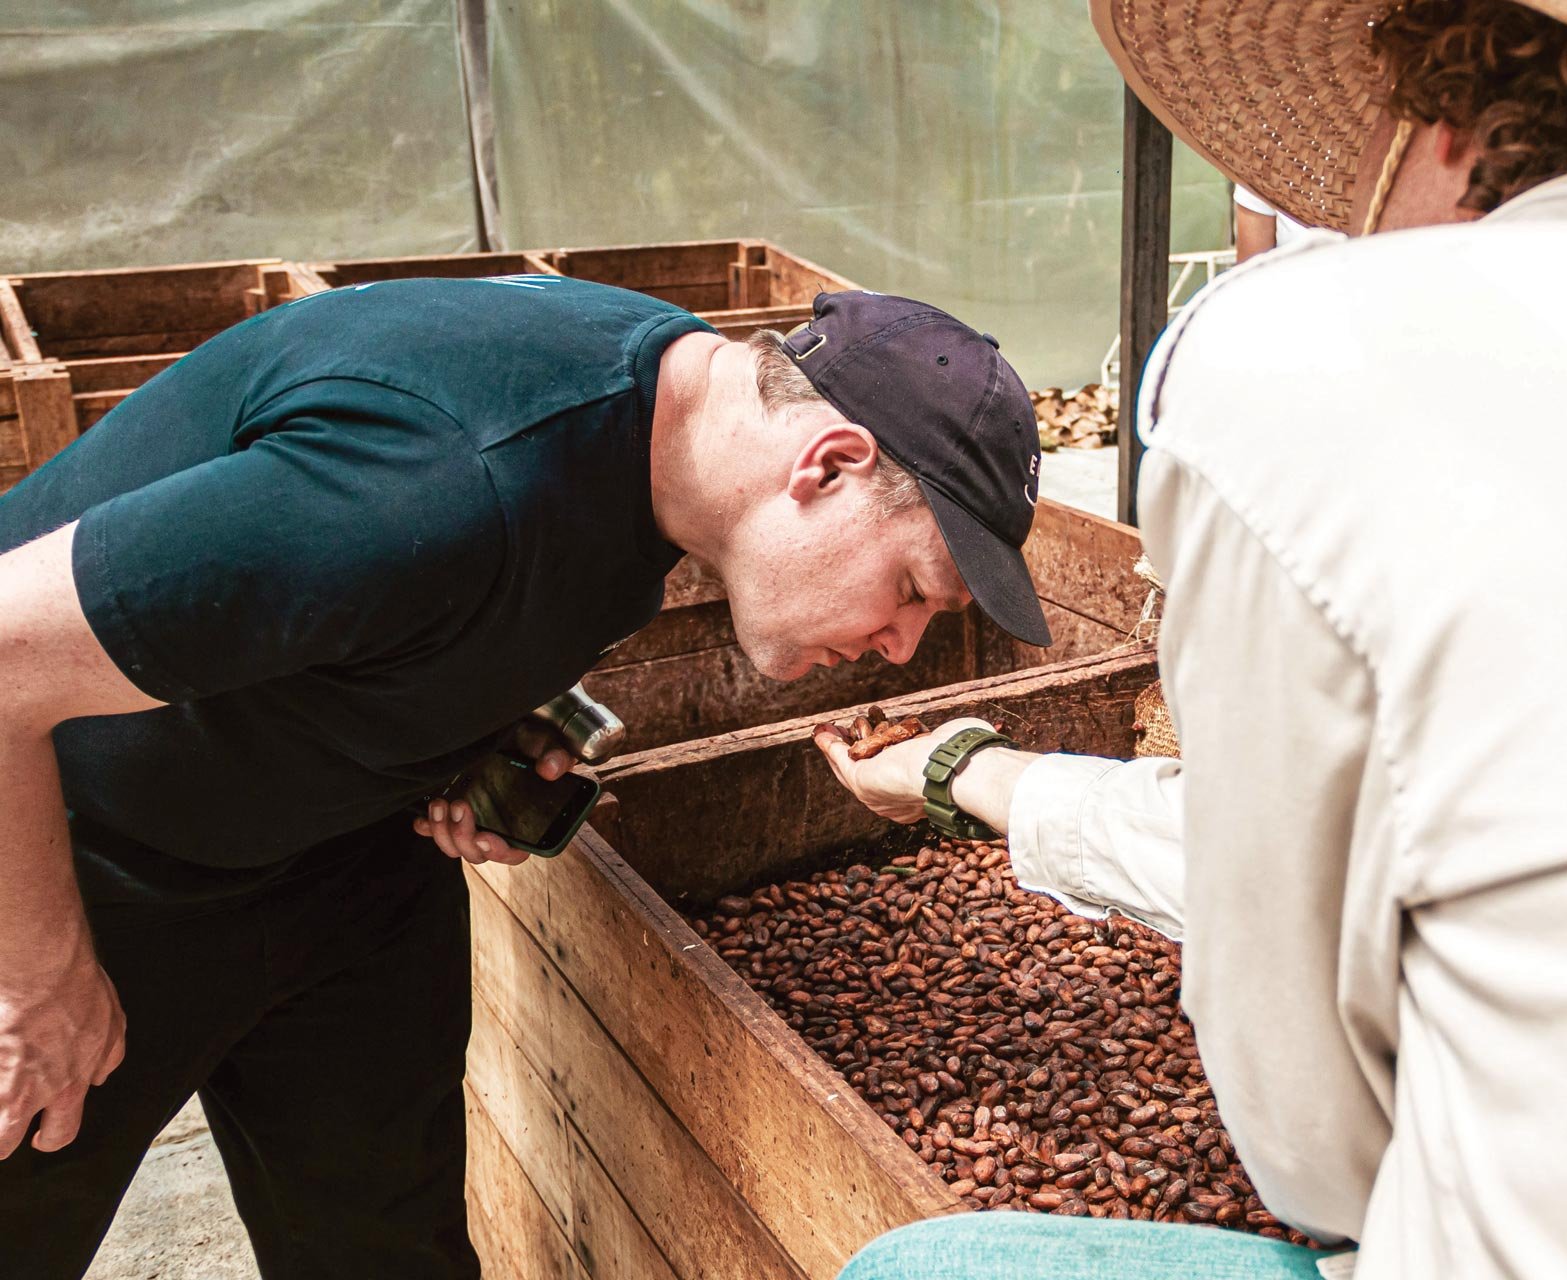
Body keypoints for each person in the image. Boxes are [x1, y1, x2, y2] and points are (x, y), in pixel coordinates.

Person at [817, 0, 1567, 1275]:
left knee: (917, 1267)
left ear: (1435, 121)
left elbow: (1312, 1147)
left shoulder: (1300, 354)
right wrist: (971, 772)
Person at [0, 278, 1052, 1277]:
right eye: (911, 587)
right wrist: (34, 976)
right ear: (827, 465)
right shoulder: (442, 477)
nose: (901, 647)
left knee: (384, 1247)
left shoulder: (677, 418)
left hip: (341, 858)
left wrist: (474, 714)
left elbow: (445, 587)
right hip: (76, 854)